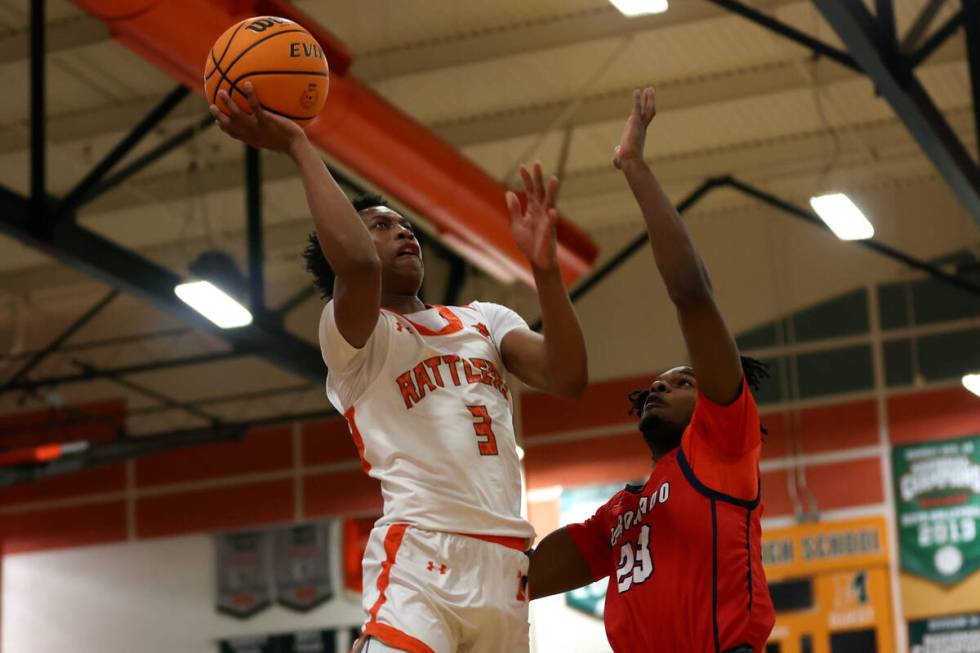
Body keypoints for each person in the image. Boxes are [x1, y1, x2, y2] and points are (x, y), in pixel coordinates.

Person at [210, 83, 587, 653]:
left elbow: (568, 376)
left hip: (507, 564)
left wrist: (546, 271)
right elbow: (358, 265)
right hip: (422, 552)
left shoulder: (485, 319)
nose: (403, 231)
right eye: (382, 226)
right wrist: (297, 143)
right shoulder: (355, 338)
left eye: (404, 224)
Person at [526, 87, 776, 653]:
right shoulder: (620, 513)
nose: (660, 385)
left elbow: (691, 293)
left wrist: (635, 168)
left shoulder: (724, 447)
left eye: (683, 381)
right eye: (657, 383)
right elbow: (520, 578)